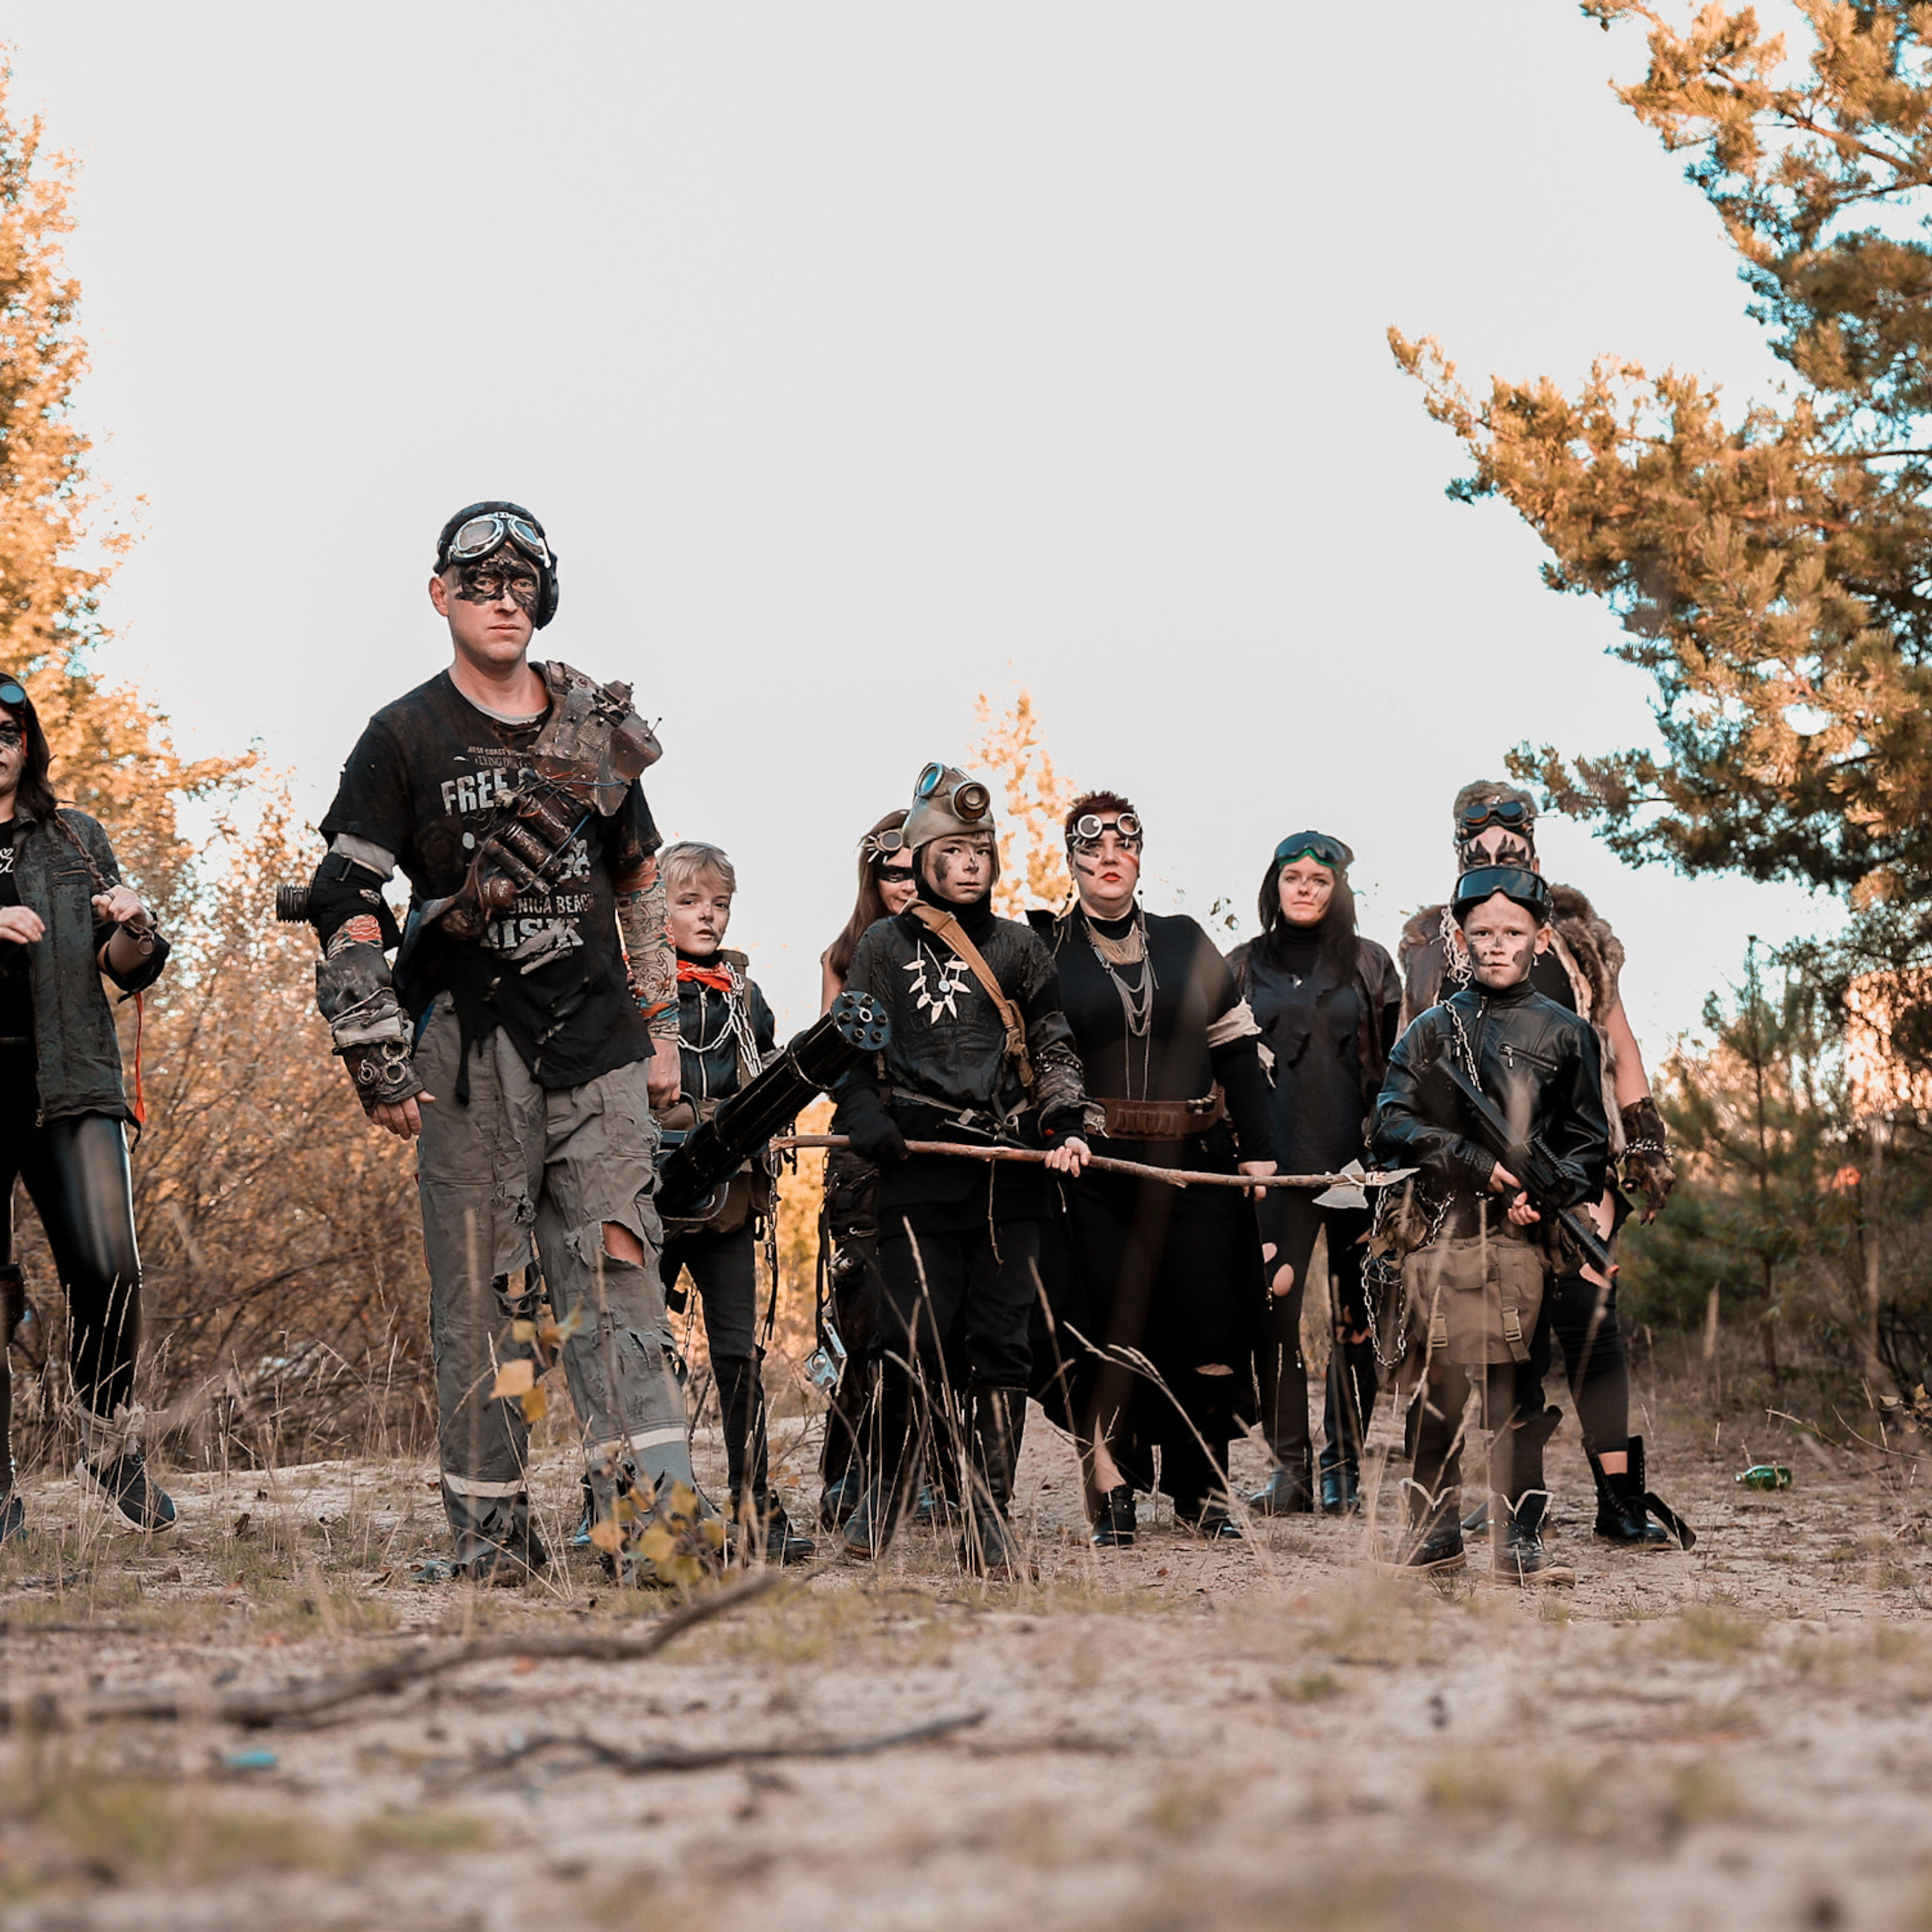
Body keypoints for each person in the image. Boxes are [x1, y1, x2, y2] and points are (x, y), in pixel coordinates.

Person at [303, 501, 697, 1583]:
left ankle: (649, 1531)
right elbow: (346, 887)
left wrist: (662, 1028)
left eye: (522, 583)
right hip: (467, 1058)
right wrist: (373, 1046)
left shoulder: (593, 732)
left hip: (601, 1049)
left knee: (616, 1278)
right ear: (442, 598)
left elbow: (641, 885)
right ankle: (491, 1536)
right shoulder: (404, 735)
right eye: (479, 584)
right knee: (492, 1302)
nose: (502, 599)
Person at [1399, 780, 1678, 1547]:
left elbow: (1619, 1046)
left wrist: (1645, 1139)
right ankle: (1511, 1502)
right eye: (1478, 835)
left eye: (1511, 832)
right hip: (1474, 1179)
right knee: (1495, 1337)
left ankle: (1621, 1499)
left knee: (1590, 1322)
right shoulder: (1433, 938)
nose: (1496, 844)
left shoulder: (1577, 933)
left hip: (1575, 1166)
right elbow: (1413, 1059)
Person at [832, 762, 1091, 1577]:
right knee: (911, 1340)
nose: (972, 861)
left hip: (1008, 1174)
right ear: (922, 854)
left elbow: (1051, 1042)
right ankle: (880, 1489)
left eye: (982, 847)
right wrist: (866, 1117)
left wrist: (1065, 1121)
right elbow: (850, 1048)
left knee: (1002, 1347)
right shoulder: (880, 944)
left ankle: (988, 1516)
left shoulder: (1020, 946)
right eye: (954, 848)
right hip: (916, 1170)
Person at [1033, 793, 1274, 1543]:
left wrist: (1260, 1165)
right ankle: (1111, 1485)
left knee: (1205, 1327)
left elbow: (1238, 1054)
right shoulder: (1041, 946)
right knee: (1102, 1328)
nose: (1109, 853)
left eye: (1124, 841)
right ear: (1071, 858)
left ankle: (1202, 1488)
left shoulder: (1185, 941)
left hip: (1196, 1167)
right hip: (1093, 1169)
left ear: (1140, 856)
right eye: (1092, 842)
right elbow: (1032, 1059)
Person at [1372, 865, 1608, 1583]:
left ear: (1540, 940)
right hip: (1440, 1227)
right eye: (1482, 933)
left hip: (1525, 1239)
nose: (1496, 945)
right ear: (1458, 937)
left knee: (1518, 1378)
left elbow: (1589, 1143)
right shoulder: (1428, 1030)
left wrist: (1549, 1190)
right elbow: (1389, 1120)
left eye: (1512, 933)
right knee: (1439, 1377)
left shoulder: (1568, 1034)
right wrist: (1473, 1161)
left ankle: (1519, 1539)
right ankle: (1433, 1532)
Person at [0, 673, 173, 1535]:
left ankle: (108, 1450)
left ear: (28, 743)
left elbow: (128, 963)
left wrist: (135, 924)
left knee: (111, 1272)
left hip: (75, 1083)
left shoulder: (76, 835)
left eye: (9, 729)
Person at [1227, 834, 1401, 1516]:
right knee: (1275, 1319)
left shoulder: (1369, 964)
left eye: (1319, 879)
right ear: (1275, 884)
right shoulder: (1241, 965)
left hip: (1359, 1172)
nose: (1304, 888)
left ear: (1338, 889)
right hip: (1277, 1171)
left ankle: (1343, 1472)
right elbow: (1225, 1067)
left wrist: (1386, 1154)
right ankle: (1291, 1471)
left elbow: (1396, 1067)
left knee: (1356, 1325)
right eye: (1292, 877)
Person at [654, 839, 814, 1564]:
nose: (707, 916)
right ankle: (630, 1498)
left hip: (727, 1206)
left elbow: (766, 1082)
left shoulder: (745, 1000)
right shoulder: (635, 992)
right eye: (689, 902)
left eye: (719, 904)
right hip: (645, 1204)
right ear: (655, 907)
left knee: (737, 1357)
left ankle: (755, 1503)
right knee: (634, 1352)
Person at [814, 811, 919, 1527]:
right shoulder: (844, 954)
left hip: (936, 1146)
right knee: (859, 1319)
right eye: (891, 871)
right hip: (860, 1149)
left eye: (916, 869)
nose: (904, 884)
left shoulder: (964, 950)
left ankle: (927, 1479)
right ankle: (843, 1477)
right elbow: (831, 1063)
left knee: (930, 1320)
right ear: (872, 876)